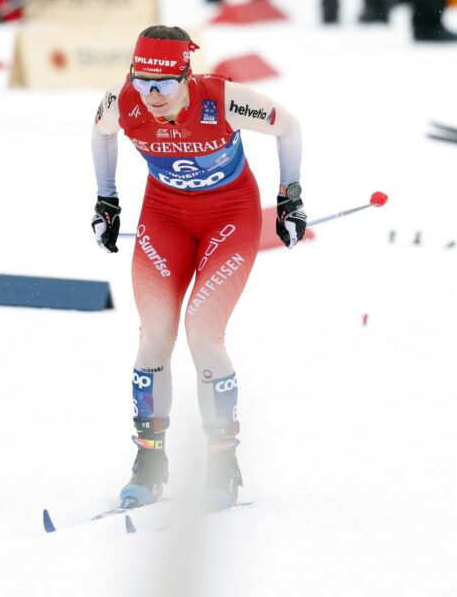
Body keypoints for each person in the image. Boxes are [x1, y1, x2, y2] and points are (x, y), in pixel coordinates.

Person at [90, 25, 307, 510]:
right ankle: (150, 463)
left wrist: (288, 197)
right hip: (165, 218)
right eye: (142, 82)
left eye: (164, 84)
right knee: (154, 333)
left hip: (229, 218)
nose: (152, 96)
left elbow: (288, 126)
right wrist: (107, 198)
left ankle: (222, 462)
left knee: (202, 330)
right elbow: (101, 134)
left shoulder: (224, 100)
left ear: (187, 77)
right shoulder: (121, 102)